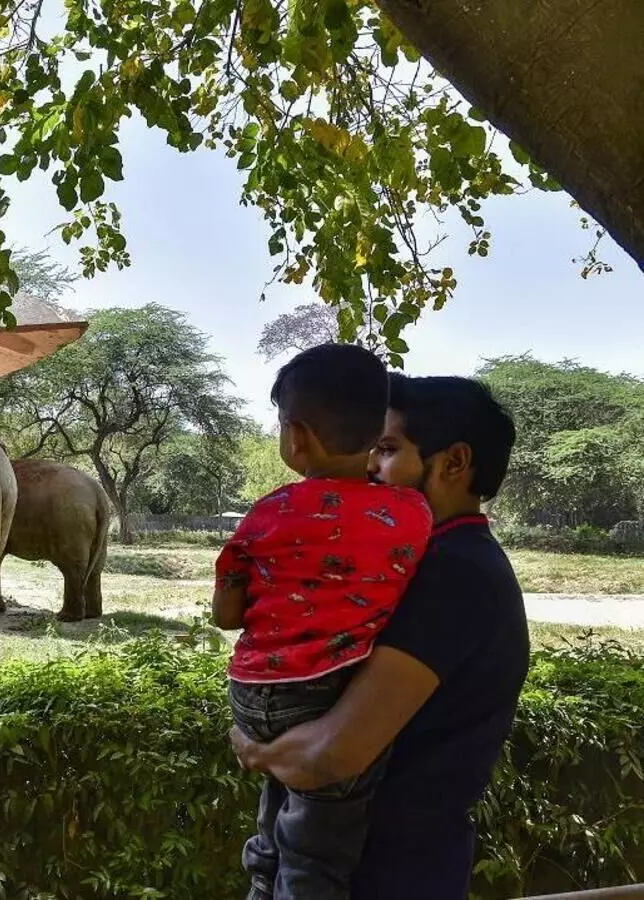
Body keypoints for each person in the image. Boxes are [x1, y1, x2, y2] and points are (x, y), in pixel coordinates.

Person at [230, 373, 527, 900]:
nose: (368, 465)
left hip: (386, 876)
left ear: (454, 462)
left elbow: (332, 754)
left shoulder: (457, 574)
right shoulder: (414, 562)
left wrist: (256, 749)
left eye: (387, 450)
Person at [214, 344, 432, 900]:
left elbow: (225, 615)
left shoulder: (266, 514)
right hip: (327, 698)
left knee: (273, 822)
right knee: (316, 858)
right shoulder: (412, 513)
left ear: (297, 436)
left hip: (253, 696)